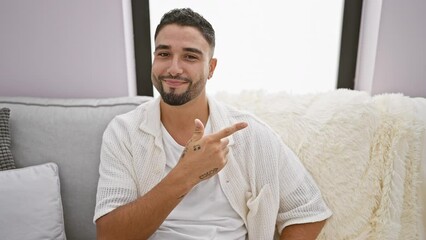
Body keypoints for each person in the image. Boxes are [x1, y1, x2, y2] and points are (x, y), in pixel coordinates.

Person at [94, 8, 332, 240]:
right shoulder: (124, 132)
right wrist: (187, 173)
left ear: (211, 68)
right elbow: (110, 235)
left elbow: (309, 211)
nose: (174, 68)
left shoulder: (249, 134)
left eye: (190, 56)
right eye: (164, 54)